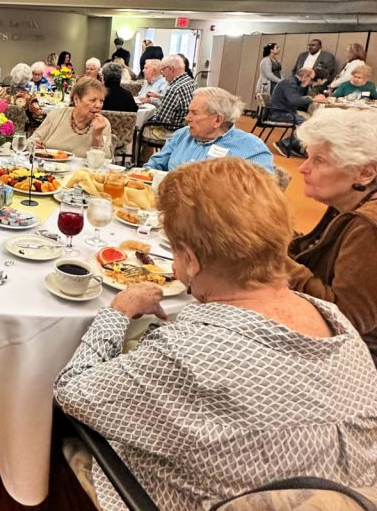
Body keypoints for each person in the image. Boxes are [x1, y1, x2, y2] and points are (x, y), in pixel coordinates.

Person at [55, 157, 377, 511]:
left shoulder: (188, 354)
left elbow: (72, 392)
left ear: (191, 260)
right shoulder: (334, 320)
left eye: (174, 249)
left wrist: (118, 312)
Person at [287, 108, 377, 365]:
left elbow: (349, 318)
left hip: (356, 363)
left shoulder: (366, 226)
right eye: (308, 157)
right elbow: (315, 251)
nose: (303, 168)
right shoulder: (347, 202)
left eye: (320, 160)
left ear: (364, 173)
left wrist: (272, 258)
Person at [144, 88, 273, 173]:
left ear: (217, 120)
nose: (187, 118)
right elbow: (154, 165)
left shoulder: (251, 149)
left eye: (194, 113)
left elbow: (263, 194)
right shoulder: (182, 135)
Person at [28, 77, 111, 158]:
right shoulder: (57, 115)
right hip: (48, 168)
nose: (98, 105)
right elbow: (30, 142)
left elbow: (106, 160)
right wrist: (34, 144)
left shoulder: (103, 124)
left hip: (81, 171)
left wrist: (97, 135)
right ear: (76, 100)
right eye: (93, 100)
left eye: (101, 101)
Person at [269, 68, 326, 158]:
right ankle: (284, 144)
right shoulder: (289, 83)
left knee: (308, 122)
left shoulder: (291, 82)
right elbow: (294, 100)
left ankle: (294, 146)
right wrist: (313, 99)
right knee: (307, 124)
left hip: (283, 111)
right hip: (280, 113)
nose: (311, 82)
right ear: (304, 76)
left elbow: (293, 98)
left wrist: (307, 98)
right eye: (311, 79)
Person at [143, 55, 195, 143]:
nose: (162, 74)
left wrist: (146, 119)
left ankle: (142, 157)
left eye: (163, 70)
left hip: (171, 130)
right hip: (185, 128)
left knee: (140, 129)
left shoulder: (174, 89)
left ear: (171, 69)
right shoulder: (191, 82)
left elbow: (161, 119)